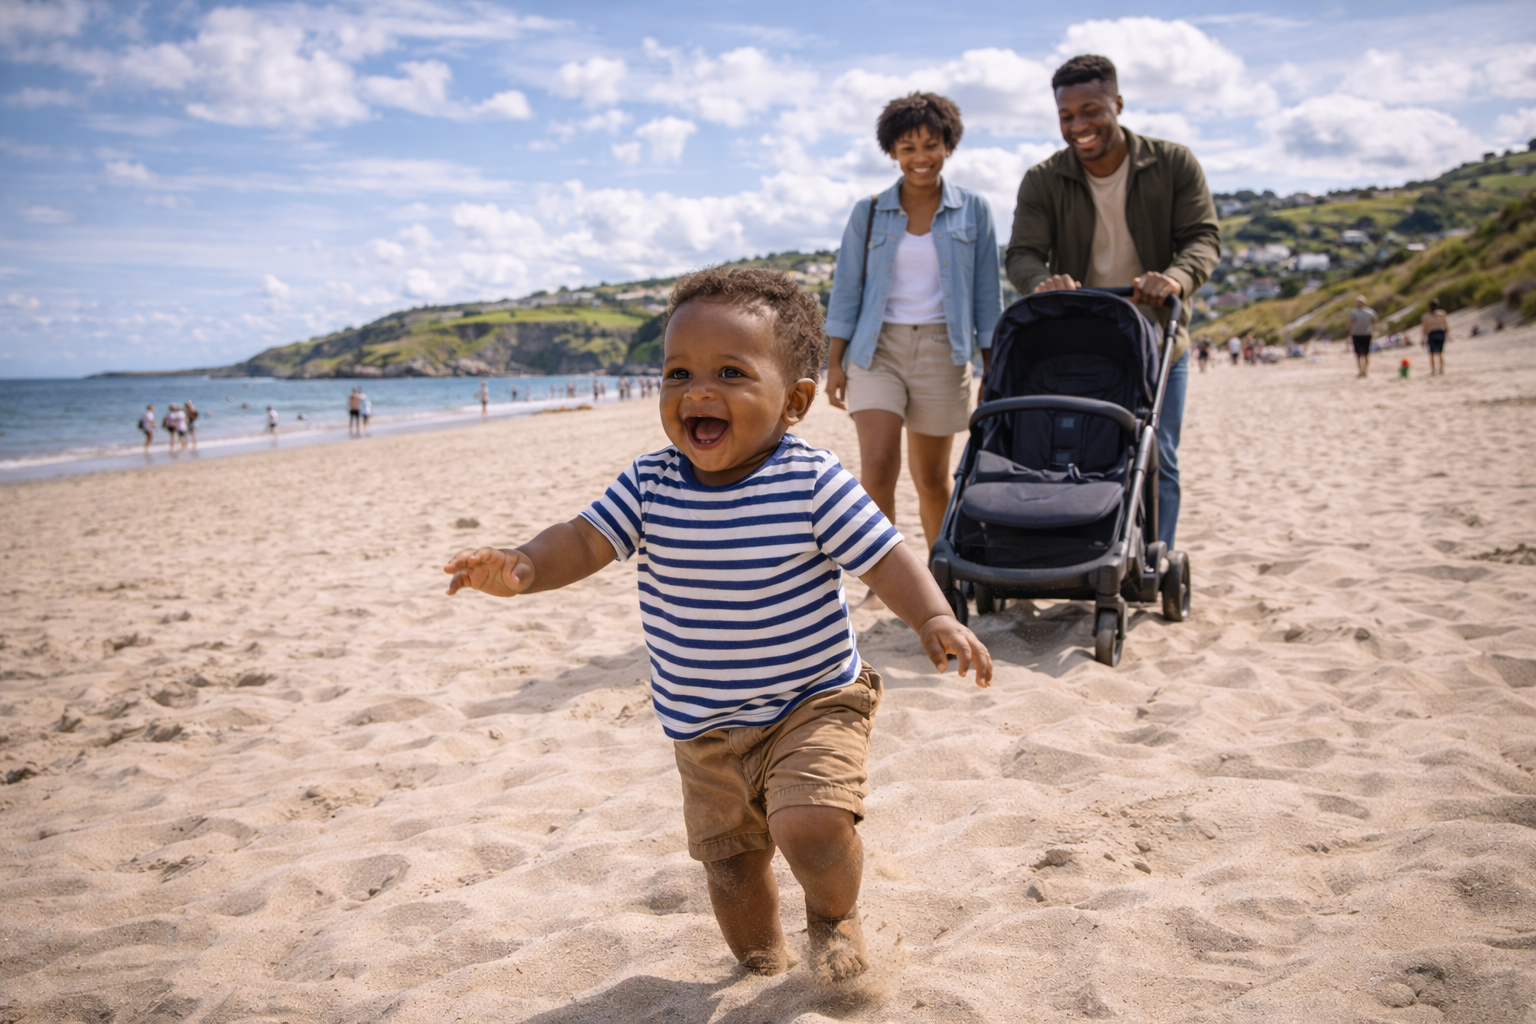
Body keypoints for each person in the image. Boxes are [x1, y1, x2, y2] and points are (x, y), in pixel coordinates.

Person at [444, 266, 992, 982]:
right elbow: (581, 540)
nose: (698, 391)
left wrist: (934, 615)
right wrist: (522, 565)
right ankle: (763, 967)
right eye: (678, 374)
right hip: (702, 730)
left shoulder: (812, 482)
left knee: (812, 828)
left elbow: (885, 558)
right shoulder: (650, 485)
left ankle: (833, 917)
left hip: (812, 704)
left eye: (730, 372)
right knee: (733, 874)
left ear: (793, 402)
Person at [1005, 54, 1219, 551]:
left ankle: (1154, 556)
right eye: (1067, 116)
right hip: (1080, 339)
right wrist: (1042, 282)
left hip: (1156, 336)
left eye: (1091, 110)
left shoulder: (1172, 163)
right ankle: (1076, 544)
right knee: (1075, 447)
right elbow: (1023, 254)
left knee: (1157, 452)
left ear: (1118, 104)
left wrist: (1174, 278)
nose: (1079, 125)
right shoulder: (1043, 180)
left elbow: (1202, 239)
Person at [824, 92, 1002, 551]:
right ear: (892, 153)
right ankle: (884, 578)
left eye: (931, 145)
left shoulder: (974, 210)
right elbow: (846, 290)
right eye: (908, 148)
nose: (921, 158)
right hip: (875, 350)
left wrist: (993, 367)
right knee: (879, 465)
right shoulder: (868, 212)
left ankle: (940, 573)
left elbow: (987, 294)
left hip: (945, 352)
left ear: (948, 145)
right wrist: (835, 363)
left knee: (932, 478)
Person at [1349, 296, 1377, 377]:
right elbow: (1350, 322)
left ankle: (1365, 371)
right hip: (1356, 334)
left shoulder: (1370, 312)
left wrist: (1373, 330)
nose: (1360, 303)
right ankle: (1360, 371)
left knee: (1366, 354)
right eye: (1358, 302)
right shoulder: (1354, 312)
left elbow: (1374, 321)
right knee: (1357, 354)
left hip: (1366, 334)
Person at [1421, 298, 1449, 375]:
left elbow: (1424, 328)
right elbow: (1445, 325)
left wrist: (1422, 338)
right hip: (1441, 333)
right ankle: (1441, 369)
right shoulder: (1441, 313)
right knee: (1440, 352)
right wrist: (1447, 334)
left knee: (1432, 353)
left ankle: (1433, 370)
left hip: (1432, 334)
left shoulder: (1426, 316)